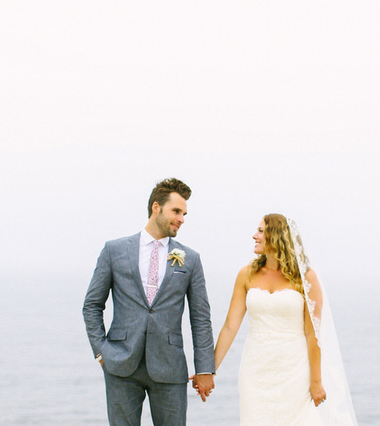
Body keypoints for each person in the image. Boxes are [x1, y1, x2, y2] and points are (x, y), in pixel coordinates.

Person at [83, 178, 216, 426]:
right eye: (176, 211)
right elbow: (92, 305)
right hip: (121, 364)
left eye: (184, 213)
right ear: (156, 207)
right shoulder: (114, 250)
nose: (182, 218)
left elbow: (200, 318)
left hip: (170, 367)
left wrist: (205, 368)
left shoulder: (191, 259)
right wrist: (101, 352)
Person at [204, 213, 356, 425]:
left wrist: (316, 380)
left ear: (276, 236)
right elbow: (230, 326)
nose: (254, 236)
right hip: (255, 369)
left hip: (295, 370)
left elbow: (313, 333)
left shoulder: (306, 278)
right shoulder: (246, 274)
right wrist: (209, 370)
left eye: (260, 231)